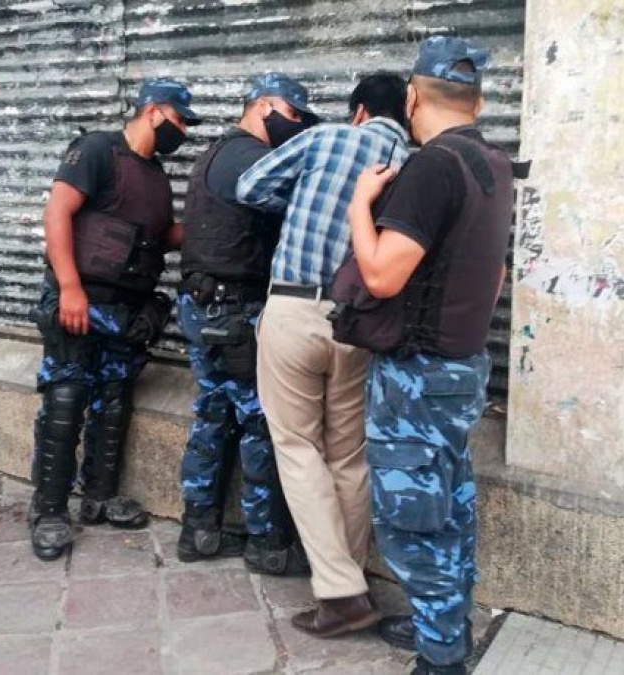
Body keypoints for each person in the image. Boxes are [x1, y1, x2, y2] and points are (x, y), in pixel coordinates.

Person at [340, 37, 528, 675]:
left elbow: (383, 276)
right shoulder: (493, 162)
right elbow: (495, 272)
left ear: (414, 95)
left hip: (417, 378)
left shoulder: (433, 166)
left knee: (413, 521)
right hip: (462, 366)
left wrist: (361, 206)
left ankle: (442, 657)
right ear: (477, 100)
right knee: (448, 504)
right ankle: (443, 624)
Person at [235, 73, 409, 636]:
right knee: (348, 455)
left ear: (358, 110)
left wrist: (306, 195)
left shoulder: (327, 138)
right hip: (359, 325)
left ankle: (339, 593)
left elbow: (249, 187)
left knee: (296, 445)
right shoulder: (414, 160)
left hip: (295, 310)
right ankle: (350, 576)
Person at [28, 78, 200, 561]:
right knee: (66, 402)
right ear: (153, 111)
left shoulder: (156, 174)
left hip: (125, 313)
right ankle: (49, 511)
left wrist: (214, 224)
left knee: (114, 403)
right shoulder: (98, 149)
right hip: (80, 301)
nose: (183, 130)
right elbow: (59, 212)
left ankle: (99, 498)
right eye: (180, 119)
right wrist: (69, 287)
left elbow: (162, 234)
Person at [176, 73, 316, 575]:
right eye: (293, 115)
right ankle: (267, 543)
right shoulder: (250, 159)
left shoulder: (219, 153)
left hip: (206, 304)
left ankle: (198, 529)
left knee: (213, 413)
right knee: (260, 420)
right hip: (235, 311)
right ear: (263, 107)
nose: (296, 127)